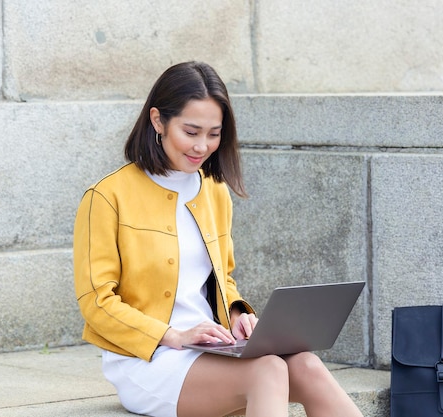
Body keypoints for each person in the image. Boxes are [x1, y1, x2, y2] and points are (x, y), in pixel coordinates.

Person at [73, 61, 363, 417]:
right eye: (191, 131)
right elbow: (97, 302)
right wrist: (173, 335)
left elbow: (222, 279)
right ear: (157, 121)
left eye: (214, 133)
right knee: (268, 370)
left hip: (211, 347)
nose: (202, 146)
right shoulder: (107, 196)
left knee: (305, 364)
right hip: (147, 360)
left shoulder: (214, 192)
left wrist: (239, 314)